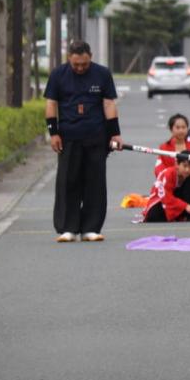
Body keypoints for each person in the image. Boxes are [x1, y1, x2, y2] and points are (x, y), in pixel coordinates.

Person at [44, 40, 123, 242]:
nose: (80, 68)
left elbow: (109, 103)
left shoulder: (102, 74)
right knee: (68, 182)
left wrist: (115, 133)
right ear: (69, 58)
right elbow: (51, 104)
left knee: (94, 182)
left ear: (91, 58)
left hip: (96, 135)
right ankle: (68, 228)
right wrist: (53, 133)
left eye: (84, 64)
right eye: (76, 64)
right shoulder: (58, 75)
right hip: (68, 136)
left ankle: (91, 228)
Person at [142, 157, 190, 223]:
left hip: (178, 203)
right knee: (154, 215)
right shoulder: (168, 174)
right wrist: (185, 206)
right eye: (184, 166)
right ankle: (182, 214)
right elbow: (166, 197)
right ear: (177, 164)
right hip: (161, 203)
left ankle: (189, 215)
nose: (187, 170)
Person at [157, 113, 190, 184]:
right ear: (171, 129)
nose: (181, 131)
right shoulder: (164, 147)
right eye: (178, 128)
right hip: (170, 182)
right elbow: (160, 169)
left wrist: (189, 175)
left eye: (184, 127)